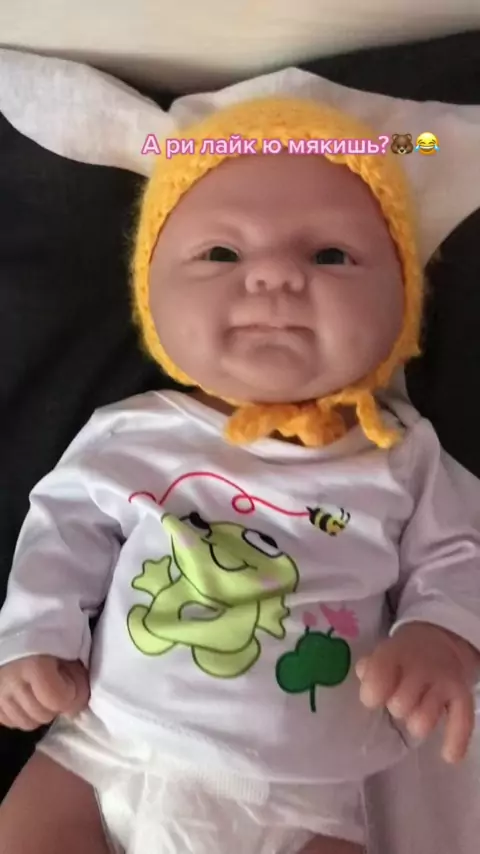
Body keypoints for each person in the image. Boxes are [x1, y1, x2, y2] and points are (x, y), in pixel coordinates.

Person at [0, 97, 479, 854]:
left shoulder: (402, 454)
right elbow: (61, 531)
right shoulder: (133, 433)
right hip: (105, 751)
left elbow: (458, 556)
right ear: (151, 297)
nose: (276, 275)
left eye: (331, 256)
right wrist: (35, 635)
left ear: (401, 307)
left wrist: (440, 638)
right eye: (221, 254)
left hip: (309, 803)